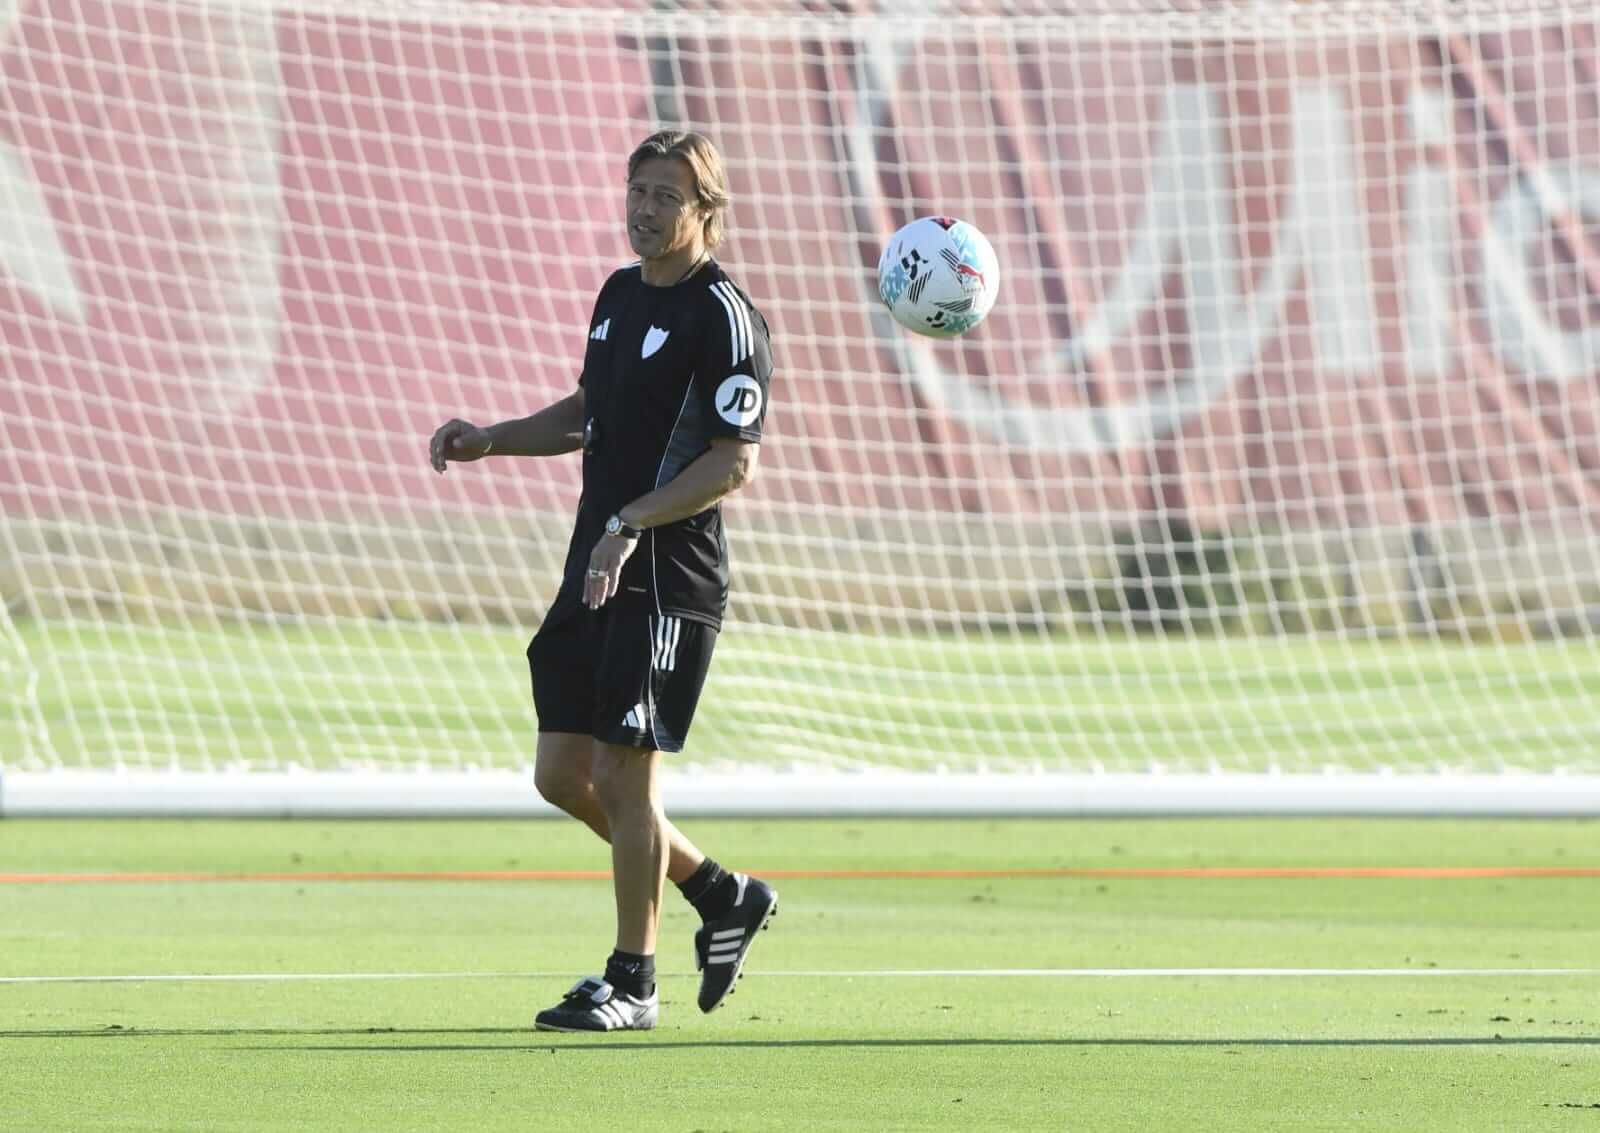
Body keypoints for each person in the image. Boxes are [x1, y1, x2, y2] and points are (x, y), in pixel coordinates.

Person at [429, 130, 777, 1033]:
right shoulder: (620, 295)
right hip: (597, 566)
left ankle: (634, 980)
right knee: (562, 772)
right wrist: (491, 437)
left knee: (627, 779)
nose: (645, 209)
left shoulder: (726, 316)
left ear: (706, 208)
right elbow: (591, 412)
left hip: (665, 578)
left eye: (666, 195)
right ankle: (719, 890)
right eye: (638, 190)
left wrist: (627, 525)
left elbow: (731, 464)